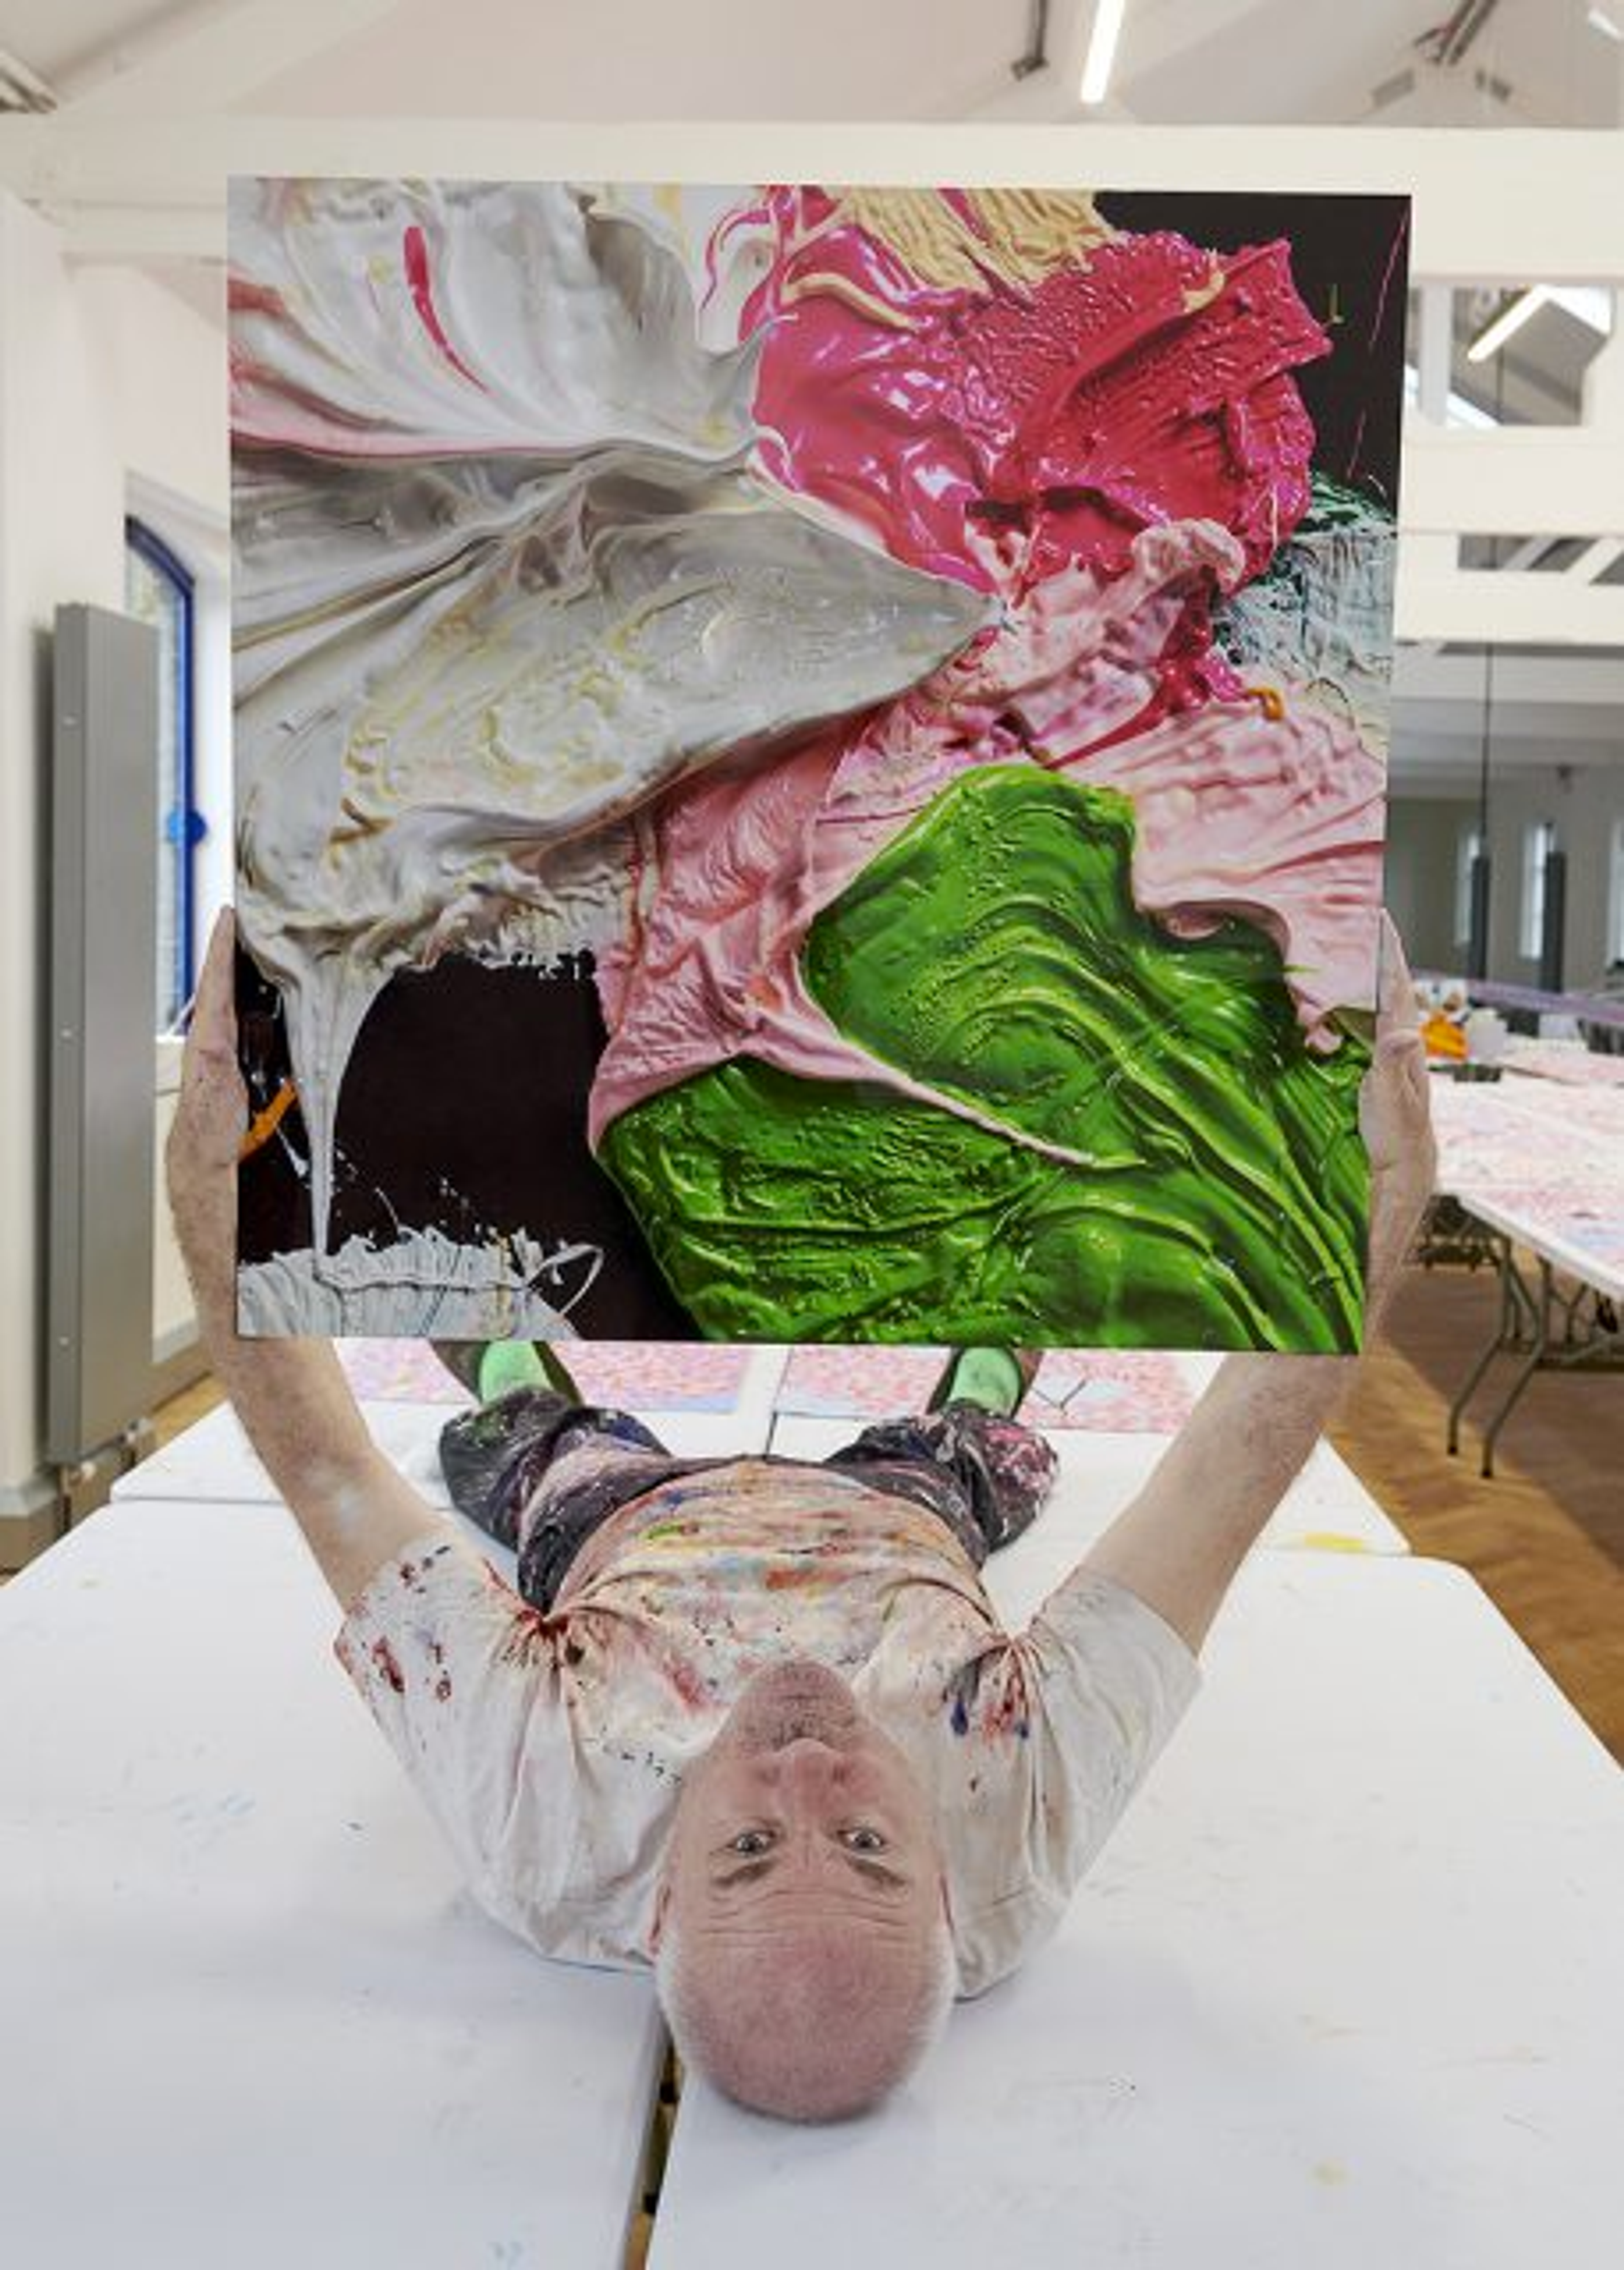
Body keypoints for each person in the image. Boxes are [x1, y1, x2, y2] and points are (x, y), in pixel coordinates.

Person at [167, 912, 1435, 2123]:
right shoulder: (1018, 1824)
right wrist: (1380, 1197)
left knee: (518, 1423)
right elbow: (1230, 1467)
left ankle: (504, 1357)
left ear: (658, 1907)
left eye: (753, 1844)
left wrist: (214, 1196)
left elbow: (331, 1472)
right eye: (872, 1842)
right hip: (903, 1524)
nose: (807, 1767)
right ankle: (986, 1364)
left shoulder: (542, 1823)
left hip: (628, 1523)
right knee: (984, 1417)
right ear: (951, 1888)